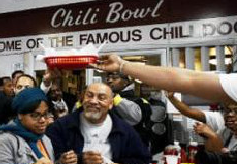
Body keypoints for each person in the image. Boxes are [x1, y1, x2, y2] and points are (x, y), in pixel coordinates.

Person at [46, 83, 151, 164]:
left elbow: (143, 160)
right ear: (82, 99)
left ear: (111, 104)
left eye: (101, 98)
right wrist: (78, 162)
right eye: (89, 95)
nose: (93, 101)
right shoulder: (60, 127)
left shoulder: (124, 130)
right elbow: (49, 163)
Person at [95, 54, 237, 104]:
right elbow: (189, 79)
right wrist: (121, 65)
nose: (109, 80)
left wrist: (122, 65)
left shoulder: (137, 101)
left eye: (114, 77)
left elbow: (189, 79)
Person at [0, 88, 58, 164]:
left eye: (45, 114)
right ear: (20, 115)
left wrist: (59, 163)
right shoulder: (3, 141)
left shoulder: (44, 139)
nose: (43, 120)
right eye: (35, 115)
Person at [107, 72, 153, 151]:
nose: (110, 81)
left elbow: (135, 117)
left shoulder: (140, 101)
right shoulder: (107, 100)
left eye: (114, 78)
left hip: (133, 149)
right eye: (108, 78)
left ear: (126, 82)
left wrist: (116, 99)